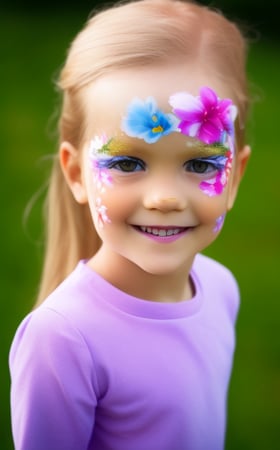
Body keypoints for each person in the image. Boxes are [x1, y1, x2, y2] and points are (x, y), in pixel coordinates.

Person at [9, 0, 251, 449]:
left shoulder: (221, 288)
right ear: (77, 173)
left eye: (200, 164)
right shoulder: (63, 340)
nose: (164, 197)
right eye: (126, 161)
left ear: (234, 177)